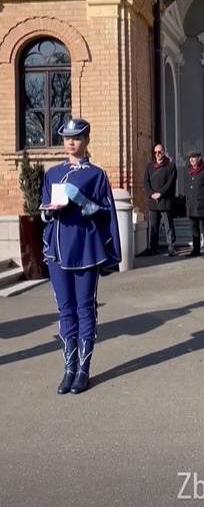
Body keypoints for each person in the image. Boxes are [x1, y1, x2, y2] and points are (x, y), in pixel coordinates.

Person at [41, 118, 121, 395]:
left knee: (85, 308)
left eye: (77, 137)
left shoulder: (96, 175)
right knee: (65, 310)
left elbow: (105, 211)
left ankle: (84, 369)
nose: (71, 142)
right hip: (58, 249)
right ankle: (68, 368)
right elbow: (44, 211)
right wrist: (48, 211)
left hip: (86, 248)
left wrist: (85, 203)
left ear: (87, 140)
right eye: (66, 138)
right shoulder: (53, 173)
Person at [144, 143, 177, 256]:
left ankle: (171, 247)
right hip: (153, 201)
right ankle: (153, 248)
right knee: (153, 226)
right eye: (155, 152)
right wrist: (152, 194)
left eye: (159, 152)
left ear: (164, 152)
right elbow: (146, 182)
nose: (157, 154)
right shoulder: (149, 166)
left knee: (168, 226)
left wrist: (160, 193)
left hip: (165, 200)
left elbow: (170, 183)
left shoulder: (170, 165)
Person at [186, 151, 204, 258]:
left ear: (199, 158)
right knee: (194, 229)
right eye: (190, 158)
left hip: (202, 206)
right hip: (191, 206)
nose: (191, 160)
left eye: (194, 157)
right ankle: (196, 249)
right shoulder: (189, 171)